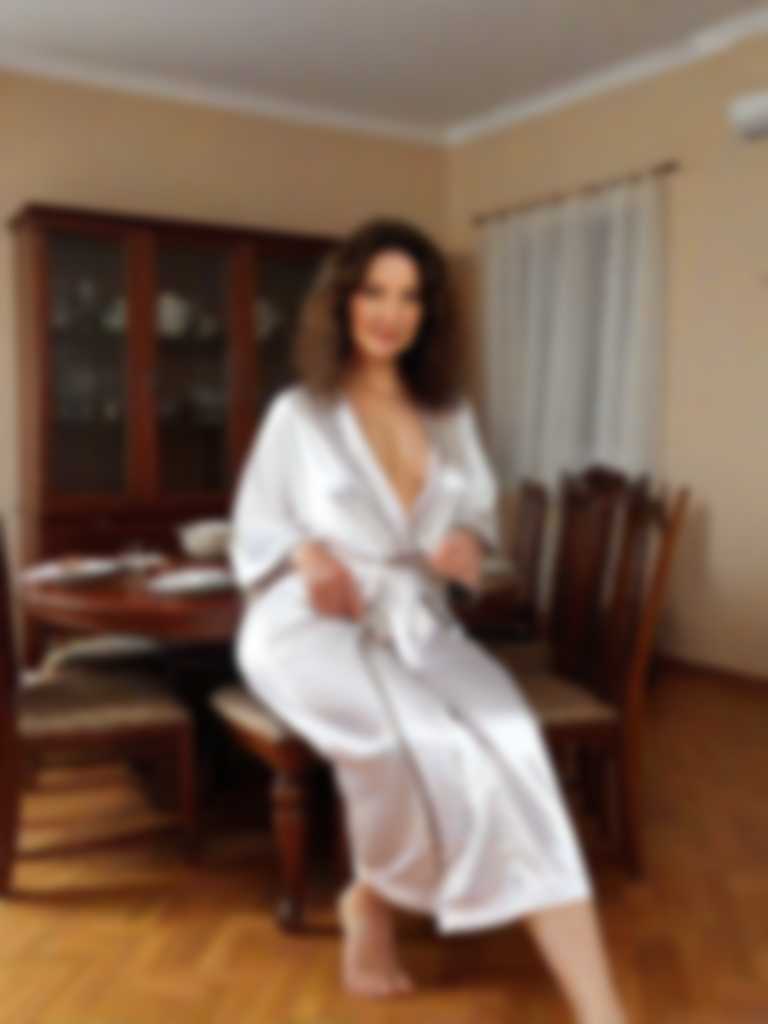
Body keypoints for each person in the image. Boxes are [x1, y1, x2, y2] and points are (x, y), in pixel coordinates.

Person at [228, 218, 629, 1023]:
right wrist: (305, 552)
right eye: (374, 292)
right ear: (342, 301)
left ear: (429, 313)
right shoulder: (300, 413)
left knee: (512, 738)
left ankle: (602, 1011)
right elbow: (256, 523)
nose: (390, 313)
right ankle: (375, 902)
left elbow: (477, 514)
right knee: (407, 736)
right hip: (308, 623)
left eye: (410, 297)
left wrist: (468, 543)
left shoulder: (449, 414)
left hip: (416, 620)